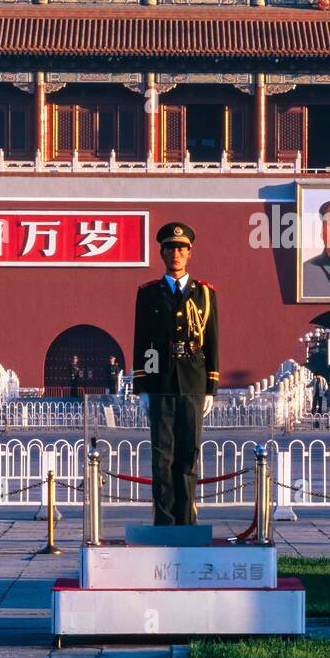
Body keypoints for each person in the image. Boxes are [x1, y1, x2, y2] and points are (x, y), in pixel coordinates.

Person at [131, 221, 220, 526]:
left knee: (188, 455)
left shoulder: (205, 295)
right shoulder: (149, 294)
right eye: (171, 248)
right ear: (162, 253)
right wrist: (144, 384)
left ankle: (186, 521)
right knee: (162, 456)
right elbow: (144, 341)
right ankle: (164, 521)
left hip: (193, 383)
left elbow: (211, 341)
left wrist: (210, 387)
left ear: (190, 253)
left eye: (182, 248)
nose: (176, 253)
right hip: (162, 384)